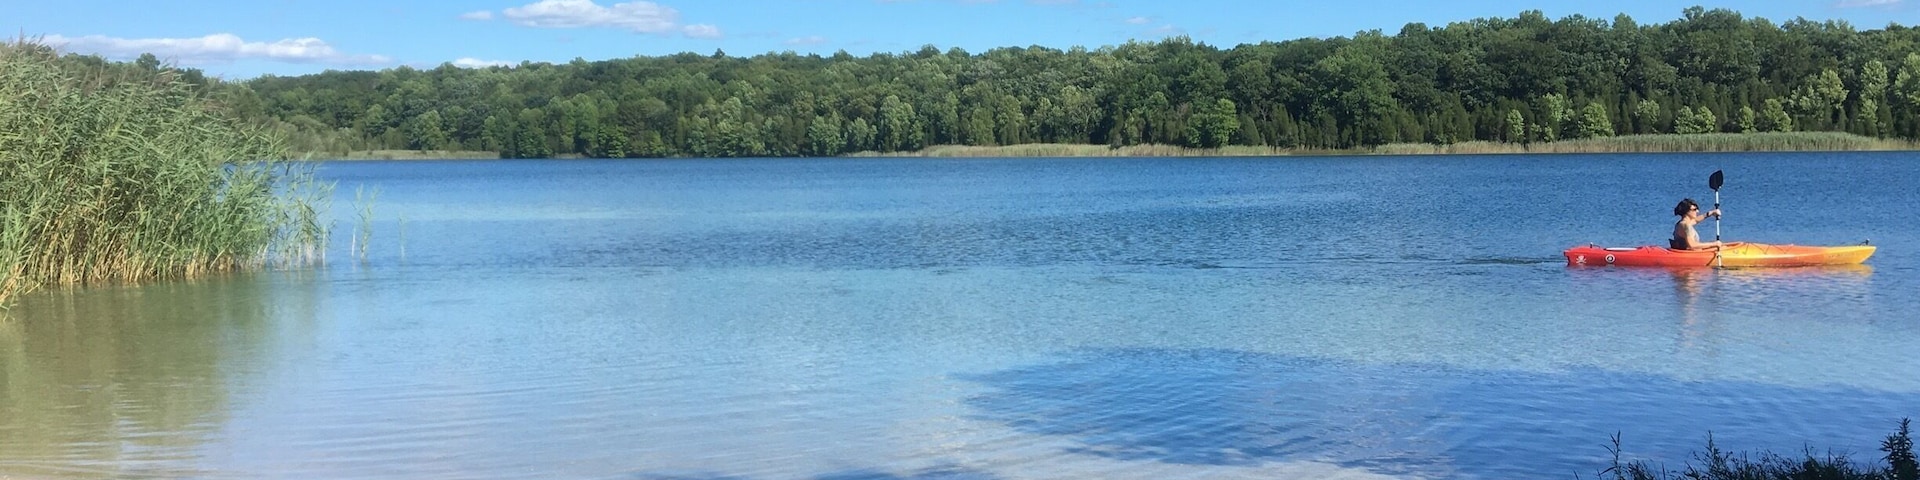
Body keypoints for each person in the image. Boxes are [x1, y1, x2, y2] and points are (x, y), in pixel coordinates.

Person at [1670, 198, 1738, 250]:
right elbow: (1692, 245)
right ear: (1686, 211)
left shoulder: (1683, 223)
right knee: (1722, 247)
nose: (1697, 211)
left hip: (1693, 252)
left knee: (1726, 245)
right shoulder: (1685, 225)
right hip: (1692, 254)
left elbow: (1696, 220)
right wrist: (1713, 244)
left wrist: (1711, 213)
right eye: (1694, 209)